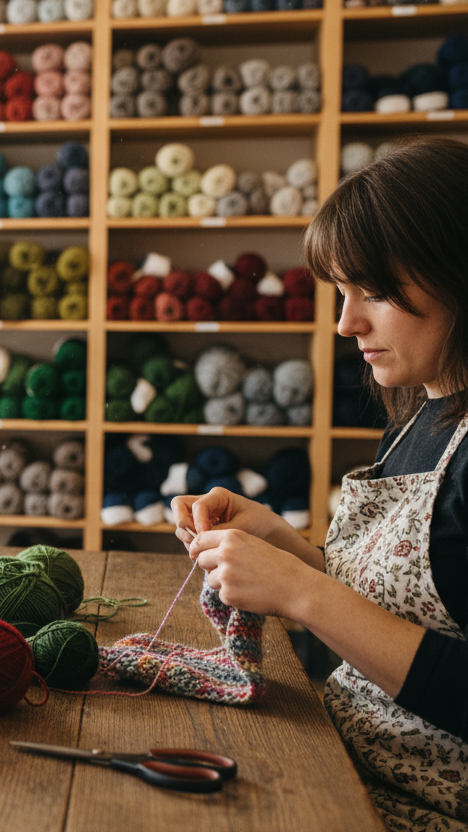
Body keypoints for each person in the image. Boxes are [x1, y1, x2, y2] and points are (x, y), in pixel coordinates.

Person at [173, 135, 468, 831]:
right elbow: (416, 606)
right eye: (341, 292)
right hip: (344, 762)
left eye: (375, 292)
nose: (345, 323)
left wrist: (303, 593)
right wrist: (283, 544)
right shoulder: (421, 412)